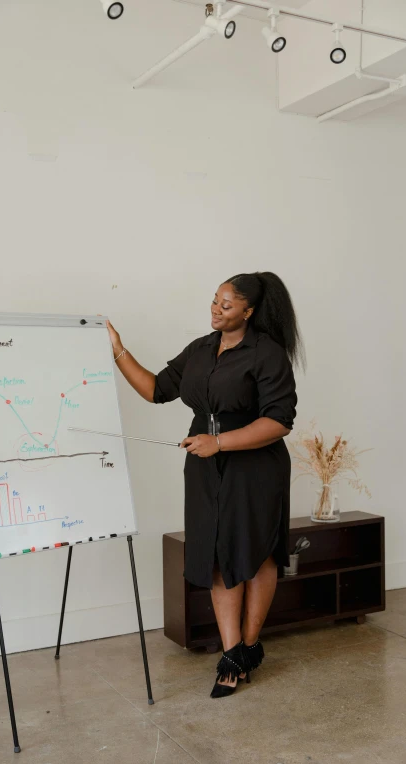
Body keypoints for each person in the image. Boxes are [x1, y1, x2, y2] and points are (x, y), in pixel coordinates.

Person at [106, 271, 303, 698]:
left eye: (226, 305)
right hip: (203, 463)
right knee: (216, 554)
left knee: (257, 554)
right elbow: (157, 389)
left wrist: (220, 442)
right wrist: (118, 350)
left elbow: (278, 421)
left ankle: (247, 648)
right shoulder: (200, 349)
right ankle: (232, 650)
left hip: (254, 467)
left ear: (249, 311)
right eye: (214, 301)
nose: (215, 309)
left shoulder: (267, 354)